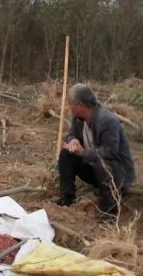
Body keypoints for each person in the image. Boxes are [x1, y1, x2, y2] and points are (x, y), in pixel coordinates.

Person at [55, 84, 135, 219]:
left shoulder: (107, 121)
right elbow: (70, 134)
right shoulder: (78, 119)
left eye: (70, 104)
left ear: (80, 105)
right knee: (66, 153)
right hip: (94, 170)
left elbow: (110, 151)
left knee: (101, 162)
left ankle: (108, 211)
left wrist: (83, 153)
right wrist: (73, 140)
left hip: (117, 173)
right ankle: (67, 197)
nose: (69, 108)